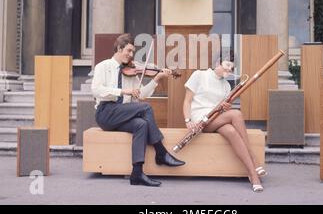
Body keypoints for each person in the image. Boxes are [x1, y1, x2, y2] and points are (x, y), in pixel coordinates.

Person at [92, 34, 185, 187]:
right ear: (119, 48)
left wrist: (157, 78)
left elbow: (142, 95)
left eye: (132, 52)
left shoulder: (131, 71)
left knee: (141, 124)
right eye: (128, 51)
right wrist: (123, 91)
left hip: (122, 114)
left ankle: (137, 173)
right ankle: (160, 152)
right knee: (146, 109)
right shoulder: (103, 66)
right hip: (105, 112)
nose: (130, 55)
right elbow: (96, 90)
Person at [182, 52, 266, 192]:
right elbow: (187, 101)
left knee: (231, 131)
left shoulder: (227, 86)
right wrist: (187, 120)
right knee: (237, 114)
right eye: (227, 65)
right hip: (200, 120)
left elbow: (222, 111)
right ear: (217, 63)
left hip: (216, 119)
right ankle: (253, 159)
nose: (229, 70)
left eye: (232, 68)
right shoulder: (199, 75)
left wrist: (225, 109)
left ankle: (253, 175)